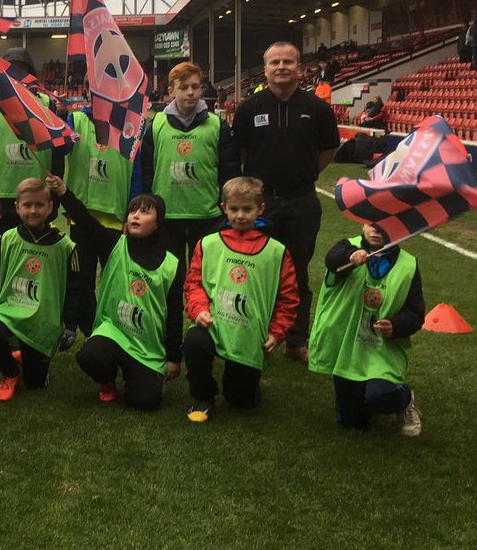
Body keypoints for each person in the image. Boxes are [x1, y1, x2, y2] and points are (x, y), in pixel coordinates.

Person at [231, 42, 339, 364]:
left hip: (301, 201)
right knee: (253, 271)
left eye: (288, 62)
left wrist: (302, 176)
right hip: (260, 206)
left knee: (297, 272)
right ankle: (253, 332)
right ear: (264, 70)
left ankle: (295, 339)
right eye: (274, 62)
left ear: (299, 68)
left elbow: (328, 151)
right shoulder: (249, 108)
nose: (282, 67)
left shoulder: (317, 108)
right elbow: (242, 153)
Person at [141, 61, 239, 379]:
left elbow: (228, 171)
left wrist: (228, 209)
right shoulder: (155, 125)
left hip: (207, 220)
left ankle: (210, 348)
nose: (190, 92)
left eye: (195, 86)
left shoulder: (216, 124)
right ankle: (171, 354)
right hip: (167, 221)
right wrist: (148, 209)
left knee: (209, 289)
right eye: (184, 87)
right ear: (171, 90)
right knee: (169, 289)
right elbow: (146, 172)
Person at [50, 175, 179, 411]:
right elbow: (85, 221)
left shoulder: (171, 264)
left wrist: (173, 358)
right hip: (115, 331)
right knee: (88, 355)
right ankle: (107, 379)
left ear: (158, 223)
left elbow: (174, 314)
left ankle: (141, 375)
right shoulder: (114, 244)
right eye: (132, 212)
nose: (136, 216)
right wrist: (63, 192)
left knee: (144, 402)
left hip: (146, 345)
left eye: (144, 212)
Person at [182, 177, 298, 422]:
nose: (241, 215)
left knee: (241, 401)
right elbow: (194, 284)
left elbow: (288, 299)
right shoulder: (208, 244)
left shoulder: (277, 251)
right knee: (193, 341)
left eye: (248, 209)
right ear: (224, 207)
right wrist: (199, 309)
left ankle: (246, 386)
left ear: (261, 209)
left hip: (249, 334)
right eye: (234, 209)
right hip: (215, 325)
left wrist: (277, 332)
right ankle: (204, 397)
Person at [0, 177, 87, 401]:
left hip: (43, 320)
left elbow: (75, 291)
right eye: (27, 205)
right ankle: (9, 372)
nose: (33, 211)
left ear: (50, 208)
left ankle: (28, 358)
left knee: (36, 385)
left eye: (39, 205)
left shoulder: (65, 247)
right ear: (17, 208)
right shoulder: (6, 239)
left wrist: (71, 326)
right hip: (11, 310)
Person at [308, 222, 424, 436]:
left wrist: (396, 325)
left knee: (379, 396)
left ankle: (404, 399)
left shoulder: (408, 265)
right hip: (348, 352)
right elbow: (332, 259)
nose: (378, 229)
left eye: (387, 223)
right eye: (373, 223)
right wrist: (352, 256)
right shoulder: (346, 247)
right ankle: (365, 397)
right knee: (352, 423)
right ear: (362, 223)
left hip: (381, 351)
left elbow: (416, 314)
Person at [62, 95, 141, 339]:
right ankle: (90, 331)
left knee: (114, 282)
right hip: (82, 216)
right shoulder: (76, 119)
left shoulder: (132, 126)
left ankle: (112, 328)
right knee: (83, 280)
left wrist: (132, 210)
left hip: (116, 219)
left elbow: (136, 170)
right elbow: (62, 147)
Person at [0, 48, 65, 257]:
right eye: (10, 71)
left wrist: (54, 199)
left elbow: (57, 153)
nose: (16, 77)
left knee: (33, 261)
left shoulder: (47, 103)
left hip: (35, 200)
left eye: (21, 72)